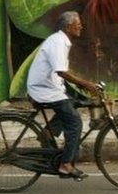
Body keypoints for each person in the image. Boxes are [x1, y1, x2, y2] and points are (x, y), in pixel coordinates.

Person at [27, 11, 98, 180]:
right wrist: (86, 84)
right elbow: (61, 72)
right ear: (68, 27)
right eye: (77, 23)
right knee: (74, 123)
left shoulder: (61, 41)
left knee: (71, 104)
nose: (81, 26)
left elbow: (61, 71)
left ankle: (48, 134)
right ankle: (66, 165)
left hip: (50, 88)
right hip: (44, 90)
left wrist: (83, 84)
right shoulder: (58, 42)